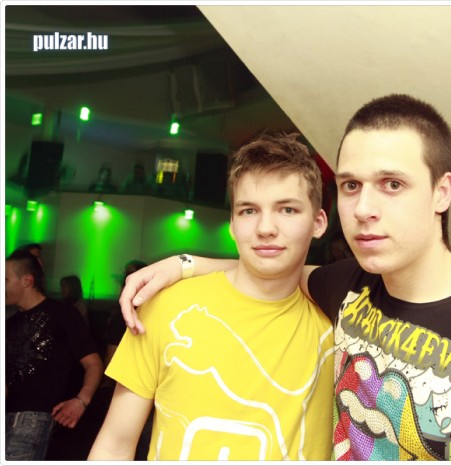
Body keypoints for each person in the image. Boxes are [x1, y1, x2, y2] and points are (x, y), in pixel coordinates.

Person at [119, 95, 451, 460]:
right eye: (351, 185)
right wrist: (183, 264)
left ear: (442, 192)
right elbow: (276, 265)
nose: (364, 208)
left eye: (392, 184)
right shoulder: (347, 288)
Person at [89, 133, 335, 460]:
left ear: (318, 223)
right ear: (232, 223)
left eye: (287, 209)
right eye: (249, 211)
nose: (265, 228)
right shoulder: (167, 305)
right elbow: (114, 445)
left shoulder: (342, 317)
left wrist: (186, 263)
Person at [5, 250, 104, 461]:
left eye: (5, 279)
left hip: (33, 419)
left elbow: (93, 363)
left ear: (27, 281)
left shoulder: (62, 314)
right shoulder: (10, 323)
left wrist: (81, 401)